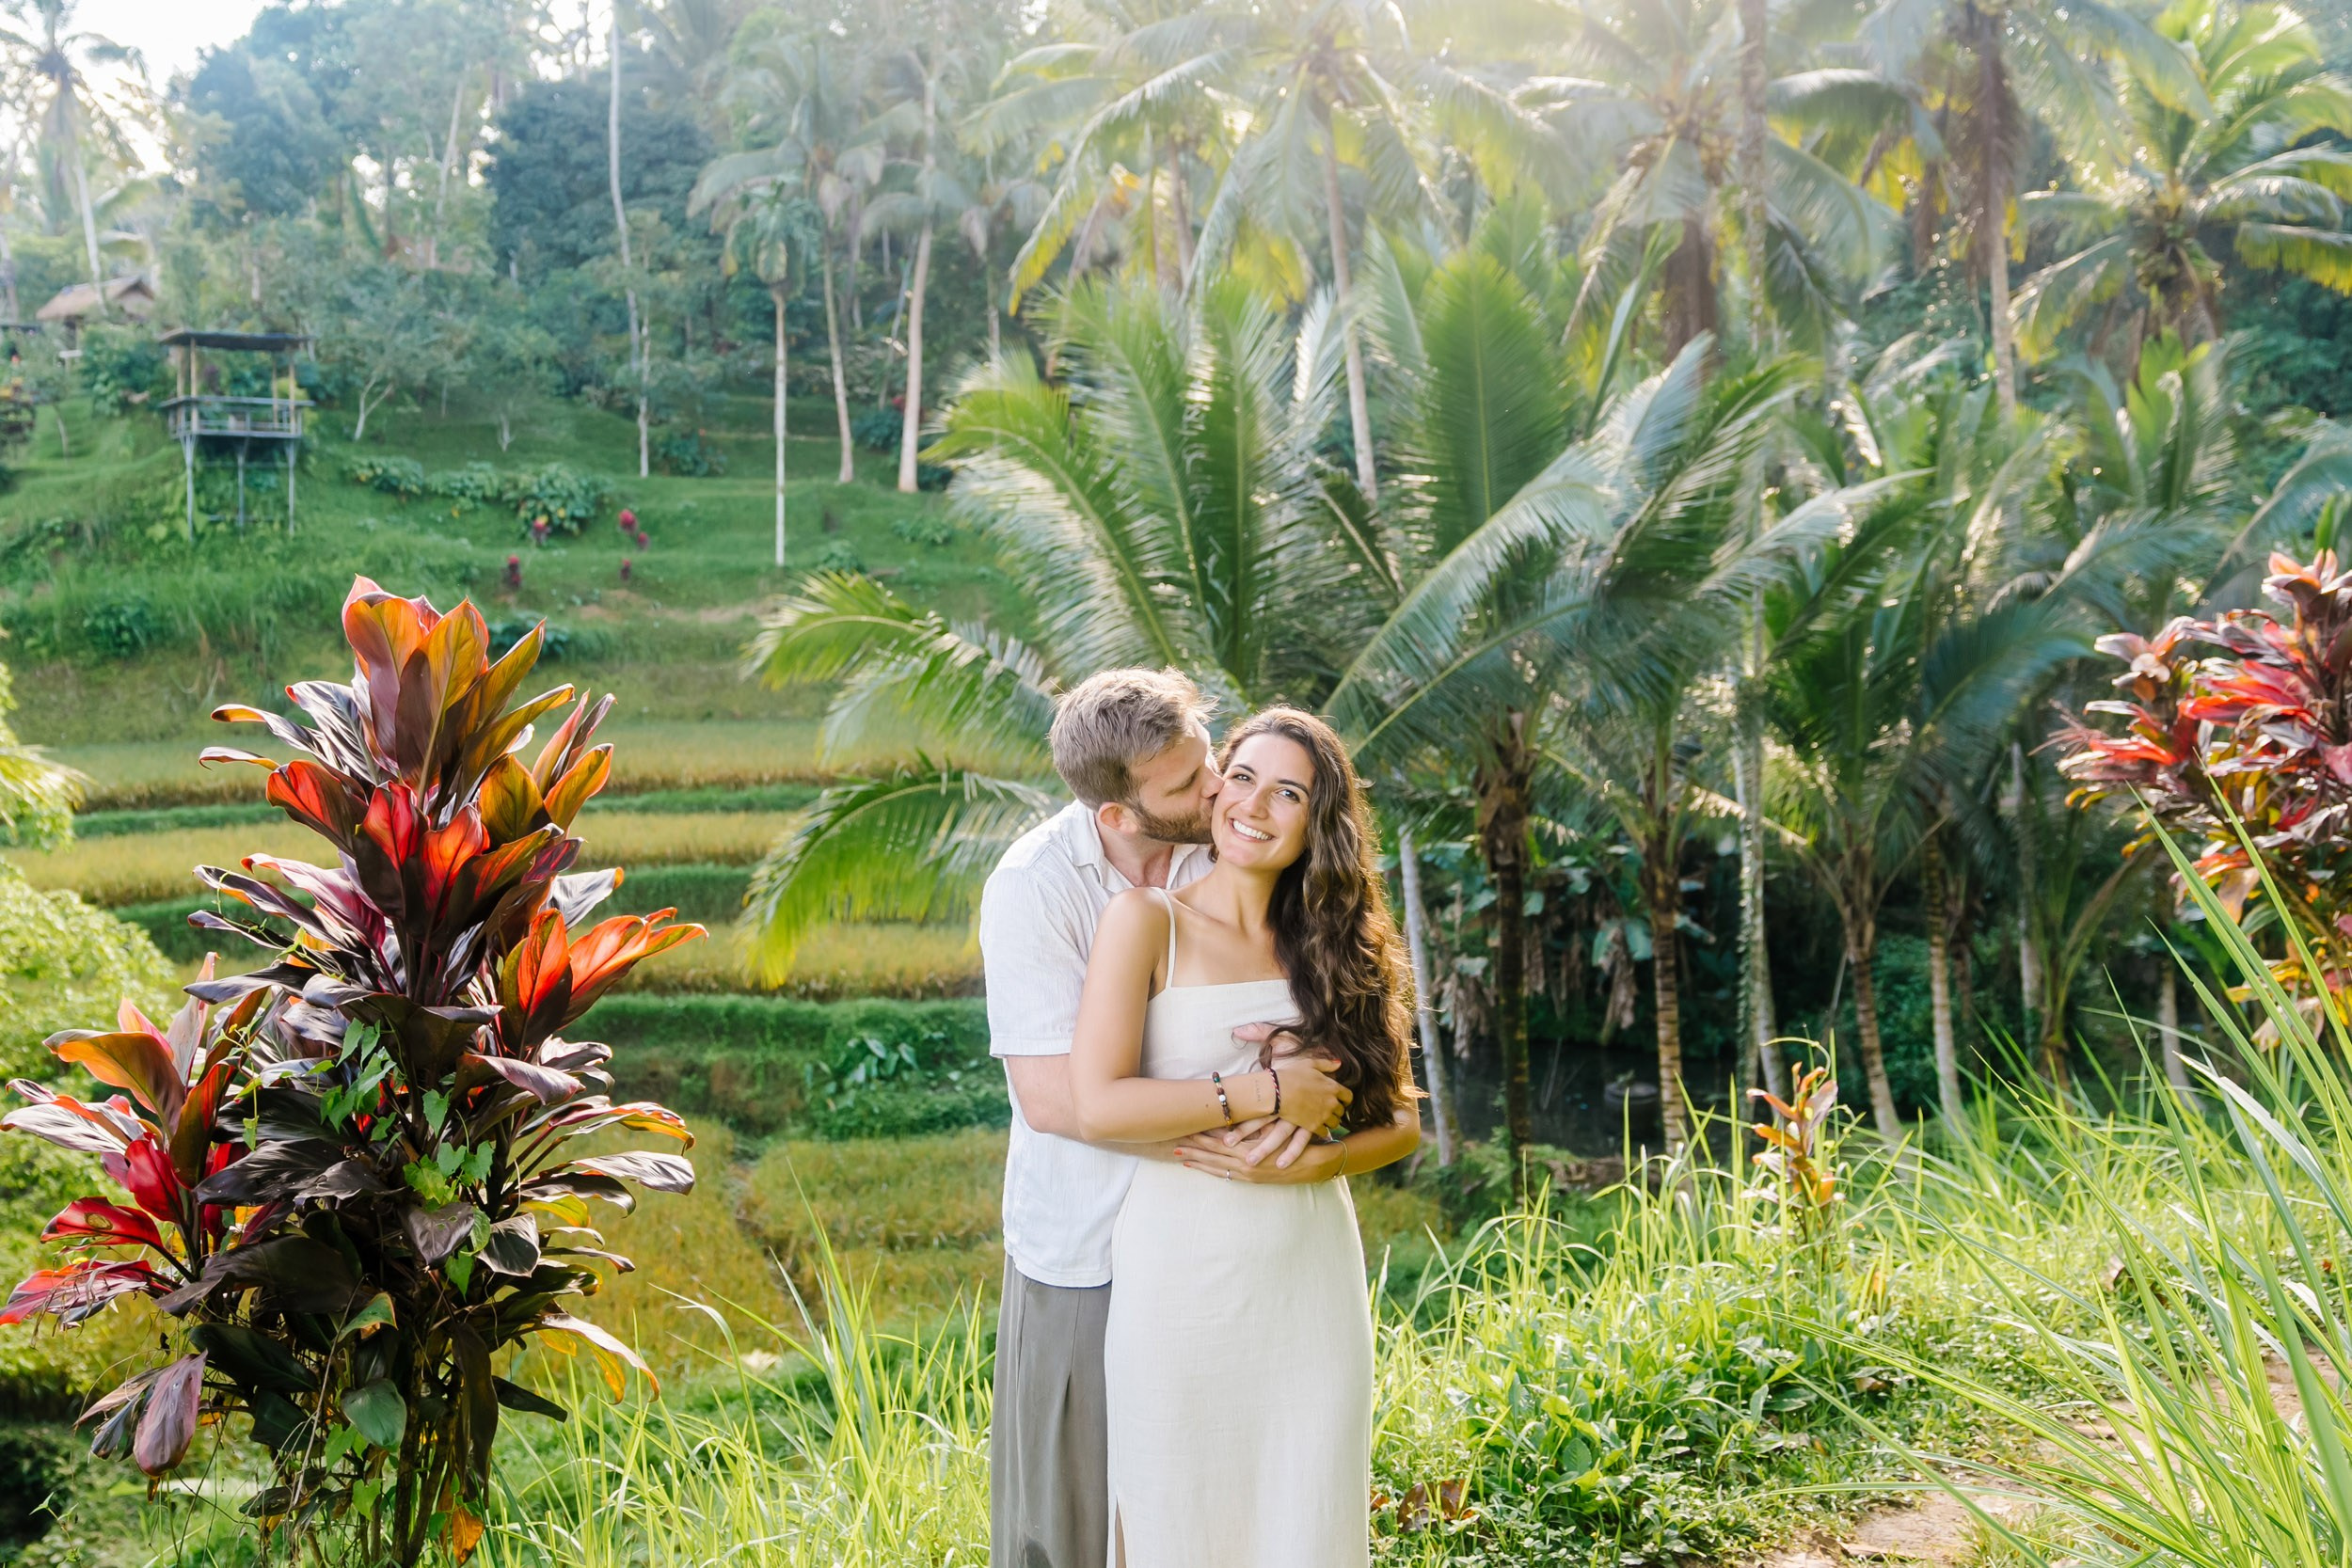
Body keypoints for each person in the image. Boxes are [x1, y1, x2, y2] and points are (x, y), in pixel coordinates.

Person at [982, 672, 1350, 1568]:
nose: (1221, 788)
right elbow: (1060, 1100)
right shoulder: (1035, 886)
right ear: (1118, 813)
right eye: (1191, 783)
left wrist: (1309, 1073)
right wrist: (1263, 1100)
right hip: (1091, 1247)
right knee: (1079, 1524)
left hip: (1224, 1254)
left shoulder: (1225, 845)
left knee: (1223, 1510)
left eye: (1211, 760)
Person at [1071, 705, 1423, 1568]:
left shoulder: (1340, 945)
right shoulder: (1146, 920)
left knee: (1306, 1521)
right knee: (1177, 1518)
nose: (1255, 806)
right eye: (1242, 777)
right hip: (1179, 1280)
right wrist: (1266, 1090)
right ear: (1217, 785)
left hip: (1308, 1281)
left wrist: (1315, 1161)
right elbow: (1098, 1105)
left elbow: (1401, 1125)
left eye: (1289, 793)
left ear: (1318, 822)